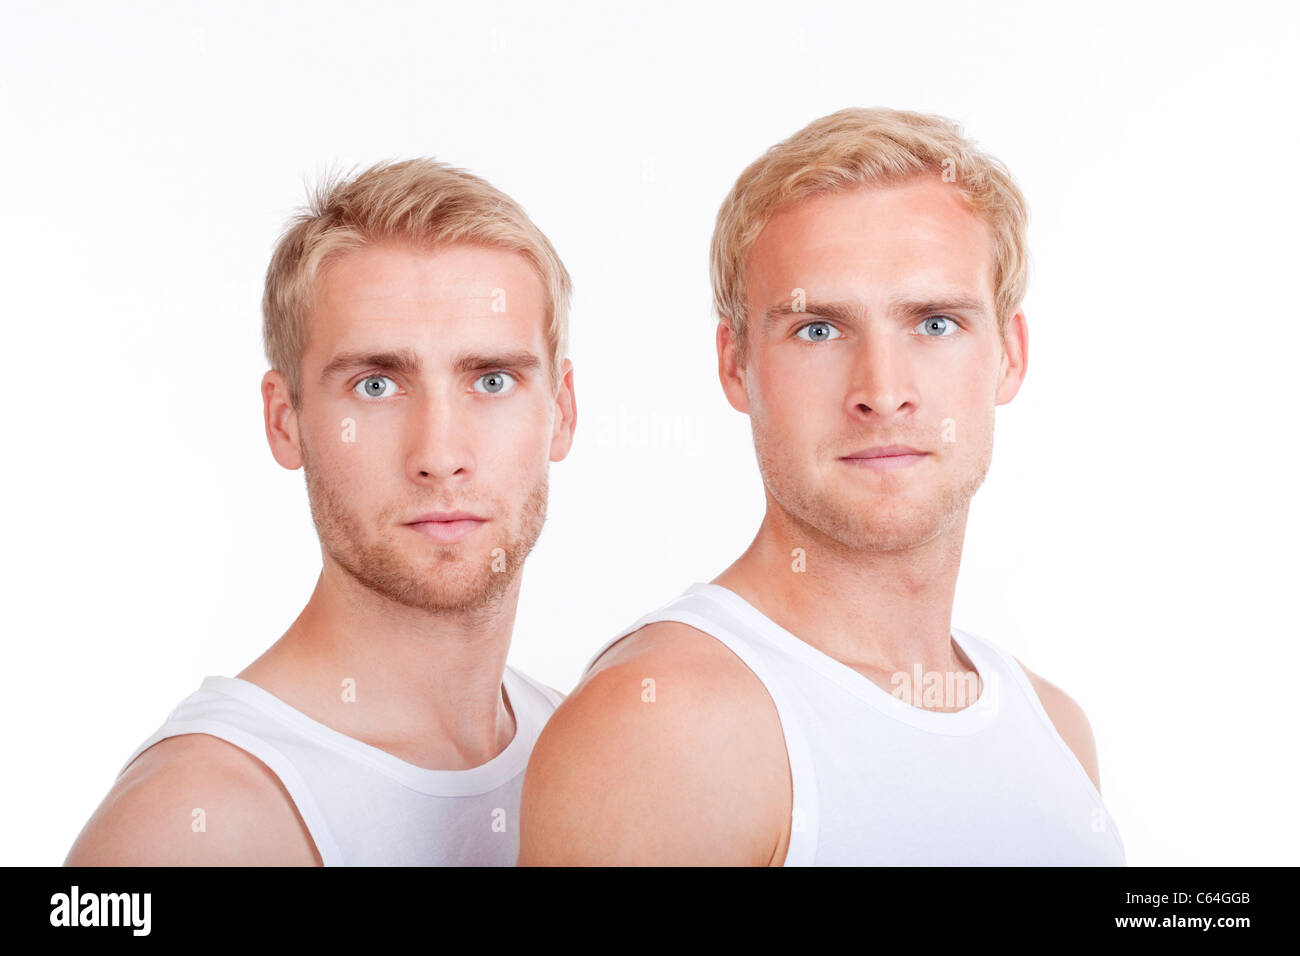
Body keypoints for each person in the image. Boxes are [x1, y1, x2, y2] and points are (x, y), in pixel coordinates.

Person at [519, 107, 1125, 866]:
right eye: (819, 330)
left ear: (1010, 354)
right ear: (735, 364)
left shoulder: (1056, 728)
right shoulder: (666, 727)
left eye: (935, 323)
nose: (882, 391)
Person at [67, 159, 577, 865]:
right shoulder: (196, 819)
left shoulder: (585, 747)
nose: (439, 454)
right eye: (376, 385)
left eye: (491, 379)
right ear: (286, 421)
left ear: (563, 413)